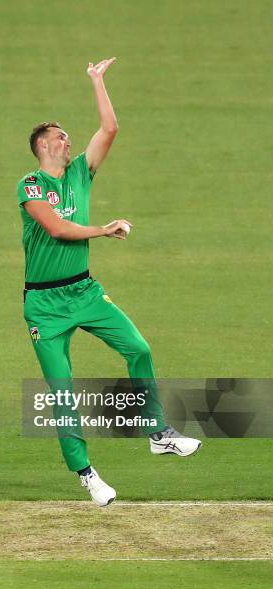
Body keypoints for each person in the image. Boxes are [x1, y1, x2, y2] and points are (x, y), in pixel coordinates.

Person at [16, 58, 201, 507]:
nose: (69, 139)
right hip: (44, 305)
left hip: (84, 290)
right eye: (61, 136)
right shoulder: (31, 185)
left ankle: (158, 432)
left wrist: (98, 81)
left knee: (138, 348)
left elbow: (110, 128)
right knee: (62, 390)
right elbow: (56, 228)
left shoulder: (81, 172)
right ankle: (86, 474)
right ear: (43, 145)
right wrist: (102, 229)